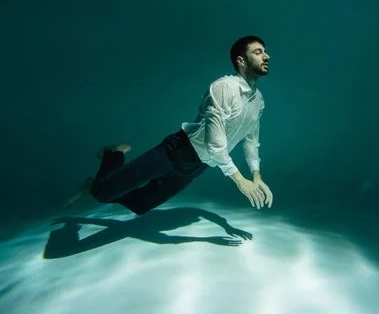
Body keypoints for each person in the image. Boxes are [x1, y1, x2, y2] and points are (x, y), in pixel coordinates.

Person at [64, 35, 273, 214]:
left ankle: (98, 184)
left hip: (197, 166)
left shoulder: (259, 100)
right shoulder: (223, 88)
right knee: (102, 194)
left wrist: (256, 176)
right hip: (174, 152)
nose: (266, 56)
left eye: (265, 52)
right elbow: (215, 145)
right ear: (241, 61)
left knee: (141, 206)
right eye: (258, 52)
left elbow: (250, 140)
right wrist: (240, 181)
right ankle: (113, 155)